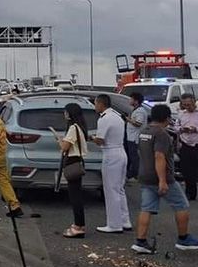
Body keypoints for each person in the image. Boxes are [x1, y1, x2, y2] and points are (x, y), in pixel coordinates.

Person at [131, 104, 198, 254]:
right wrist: (163, 180)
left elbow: (141, 152)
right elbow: (159, 156)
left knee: (146, 208)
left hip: (145, 175)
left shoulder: (144, 131)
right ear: (166, 118)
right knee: (181, 205)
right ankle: (183, 239)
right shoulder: (161, 134)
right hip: (161, 177)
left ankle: (140, 241)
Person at [92, 94, 131, 233]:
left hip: (111, 153)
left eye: (96, 103)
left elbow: (100, 140)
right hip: (121, 152)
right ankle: (124, 220)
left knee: (110, 190)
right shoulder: (116, 116)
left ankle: (114, 224)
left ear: (101, 104)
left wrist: (91, 138)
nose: (95, 106)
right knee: (120, 189)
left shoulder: (104, 119)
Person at [57, 103, 89, 237]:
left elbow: (65, 147)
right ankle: (79, 225)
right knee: (76, 194)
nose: (64, 115)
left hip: (72, 161)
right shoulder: (80, 127)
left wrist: (60, 141)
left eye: (65, 112)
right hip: (77, 160)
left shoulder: (73, 128)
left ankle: (79, 226)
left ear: (70, 113)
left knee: (75, 196)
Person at [125, 93, 149, 181]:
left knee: (135, 157)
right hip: (130, 137)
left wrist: (127, 119)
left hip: (135, 138)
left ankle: (136, 175)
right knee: (132, 156)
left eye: (131, 99)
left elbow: (138, 123)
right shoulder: (135, 110)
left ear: (136, 101)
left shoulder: (140, 111)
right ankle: (132, 174)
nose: (130, 101)